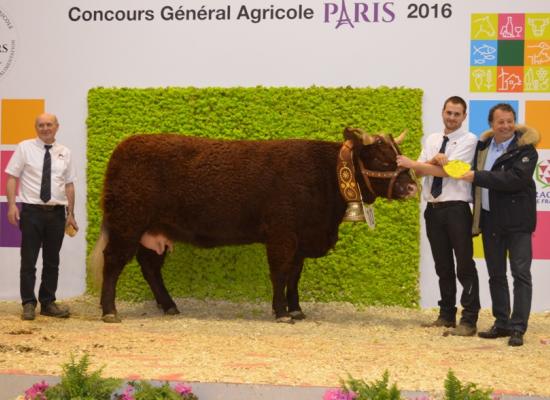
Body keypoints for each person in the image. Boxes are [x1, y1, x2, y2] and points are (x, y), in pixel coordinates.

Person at [397, 96, 480, 336]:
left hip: (457, 209)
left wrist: (418, 163)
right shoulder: (432, 139)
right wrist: (430, 161)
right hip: (433, 210)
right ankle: (446, 316)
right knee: (442, 265)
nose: (452, 118)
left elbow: (453, 172)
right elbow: (421, 171)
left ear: (464, 117)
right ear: (442, 112)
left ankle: (470, 318)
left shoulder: (469, 139)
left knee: (464, 264)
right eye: (449, 113)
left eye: (457, 114)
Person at [457, 103, 539, 346]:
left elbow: (514, 179)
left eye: (509, 120)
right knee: (495, 274)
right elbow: (462, 167)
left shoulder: (526, 150)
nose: (506, 126)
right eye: (500, 121)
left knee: (521, 275)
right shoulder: (482, 148)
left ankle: (518, 328)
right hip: (491, 220)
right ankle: (501, 322)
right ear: (491, 125)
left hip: (518, 223)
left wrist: (477, 176)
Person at [5, 113, 78, 320]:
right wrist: (12, 205)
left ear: (57, 127)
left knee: (52, 261)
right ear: (36, 128)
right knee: (28, 261)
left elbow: (69, 184)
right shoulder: (24, 147)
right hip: (31, 213)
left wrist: (71, 214)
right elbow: (11, 177)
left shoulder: (65, 152)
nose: (45, 128)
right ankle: (28, 303)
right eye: (41, 125)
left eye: (49, 124)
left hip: (56, 214)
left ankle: (48, 302)